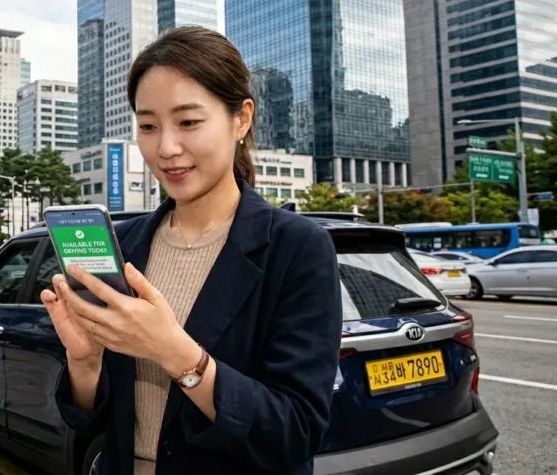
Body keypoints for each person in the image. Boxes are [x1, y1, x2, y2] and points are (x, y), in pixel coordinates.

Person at [43, 27, 342, 474]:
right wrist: (85, 364)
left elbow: (294, 431)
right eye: (148, 126)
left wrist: (176, 353)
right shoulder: (126, 244)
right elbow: (95, 420)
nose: (165, 148)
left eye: (188, 122)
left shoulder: (297, 248)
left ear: (241, 119)